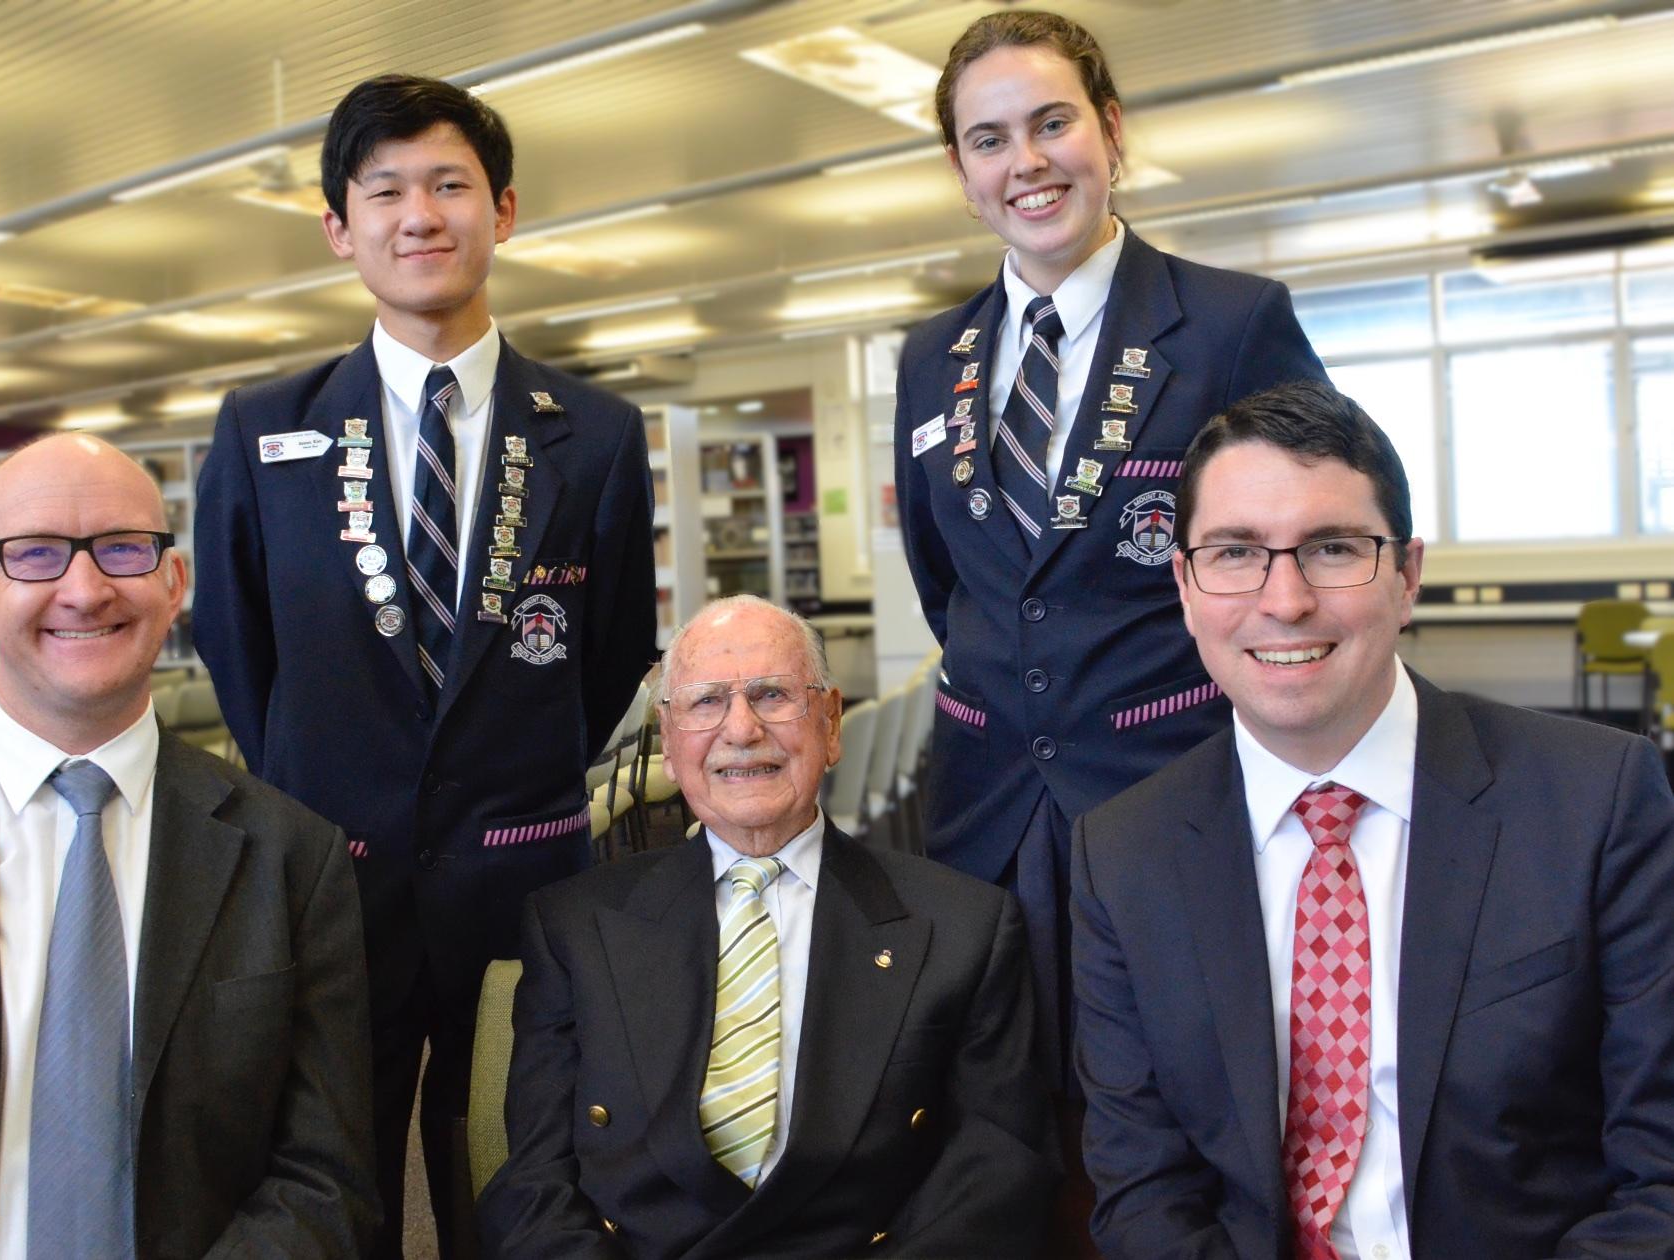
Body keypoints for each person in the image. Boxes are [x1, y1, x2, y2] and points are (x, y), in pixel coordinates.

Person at [193, 73, 656, 1257]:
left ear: (502, 210)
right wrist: (319, 787)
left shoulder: (591, 435)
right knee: (327, 1173)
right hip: (328, 879)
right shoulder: (264, 430)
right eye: (386, 191)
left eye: (450, 184)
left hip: (524, 877)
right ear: (340, 230)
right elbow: (241, 655)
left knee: (518, 1169)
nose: (421, 215)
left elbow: (606, 663)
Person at [891, 11, 1328, 1240]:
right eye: (988, 139)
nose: (1024, 160)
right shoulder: (932, 361)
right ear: (962, 174)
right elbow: (954, 583)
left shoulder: (1229, 324)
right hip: (983, 797)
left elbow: (1312, 529)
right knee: (1002, 1118)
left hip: (1166, 776)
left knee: (1190, 1105)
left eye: (1050, 122)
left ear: (1111, 133)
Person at [1071, 382, 1674, 1257]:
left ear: (1407, 577)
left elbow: (1659, 1173)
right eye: (1235, 552)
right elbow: (1144, 1190)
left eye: (1331, 548)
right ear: (1185, 586)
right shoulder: (1123, 853)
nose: (1283, 600)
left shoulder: (1596, 801)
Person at [0, 434, 379, 1257]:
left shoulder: (291, 858)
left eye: (124, 548)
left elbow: (324, 1177)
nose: (85, 588)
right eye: (34, 555)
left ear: (175, 584)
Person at [480, 596, 1053, 1259]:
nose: (741, 729)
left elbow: (996, 1173)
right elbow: (534, 1179)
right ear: (668, 741)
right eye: (705, 703)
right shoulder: (574, 926)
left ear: (830, 722)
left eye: (771, 695)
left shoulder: (963, 926)